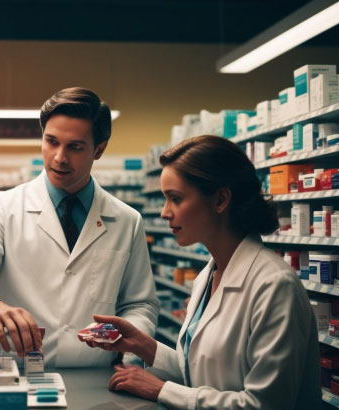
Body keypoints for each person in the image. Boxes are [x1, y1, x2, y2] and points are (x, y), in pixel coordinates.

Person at [84, 135, 321, 409]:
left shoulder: (275, 286)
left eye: (175, 198)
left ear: (220, 200)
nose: (164, 212)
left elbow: (263, 404)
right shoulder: (208, 277)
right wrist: (142, 345)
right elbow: (200, 374)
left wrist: (162, 390)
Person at [0, 87, 159, 367]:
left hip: (97, 378)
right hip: (18, 375)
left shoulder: (126, 221)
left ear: (99, 149)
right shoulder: (4, 207)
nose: (59, 157)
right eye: (51, 141)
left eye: (75, 146)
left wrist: (130, 351)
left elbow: (140, 303)